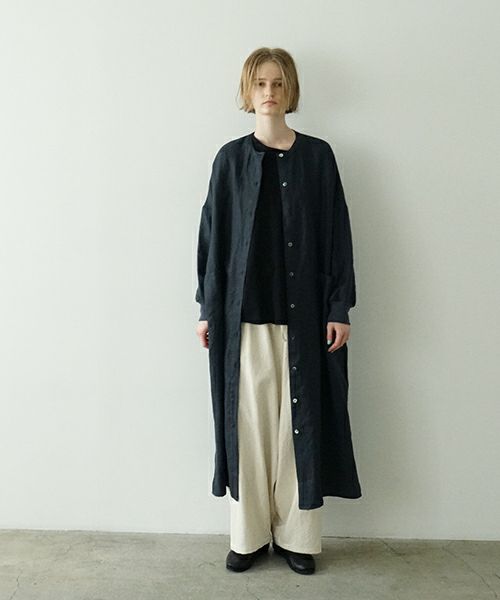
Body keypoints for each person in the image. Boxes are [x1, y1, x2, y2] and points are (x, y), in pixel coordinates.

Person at [195, 47, 361, 575]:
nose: (269, 92)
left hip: (306, 318)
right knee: (248, 428)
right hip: (242, 319)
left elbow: (337, 234)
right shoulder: (229, 160)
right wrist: (207, 308)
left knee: (299, 427)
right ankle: (247, 538)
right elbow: (212, 239)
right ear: (248, 92)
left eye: (278, 83)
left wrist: (339, 305)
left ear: (291, 90)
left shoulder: (318, 157)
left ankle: (298, 538)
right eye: (260, 83)